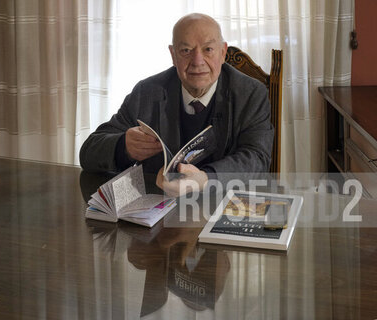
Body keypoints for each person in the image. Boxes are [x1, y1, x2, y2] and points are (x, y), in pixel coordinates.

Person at [79, 13, 273, 196]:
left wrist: (205, 179)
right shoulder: (147, 92)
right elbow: (89, 152)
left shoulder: (251, 94)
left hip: (224, 206)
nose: (197, 61)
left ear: (223, 52)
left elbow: (257, 158)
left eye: (208, 49)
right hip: (159, 213)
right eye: (186, 51)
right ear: (173, 55)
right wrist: (123, 147)